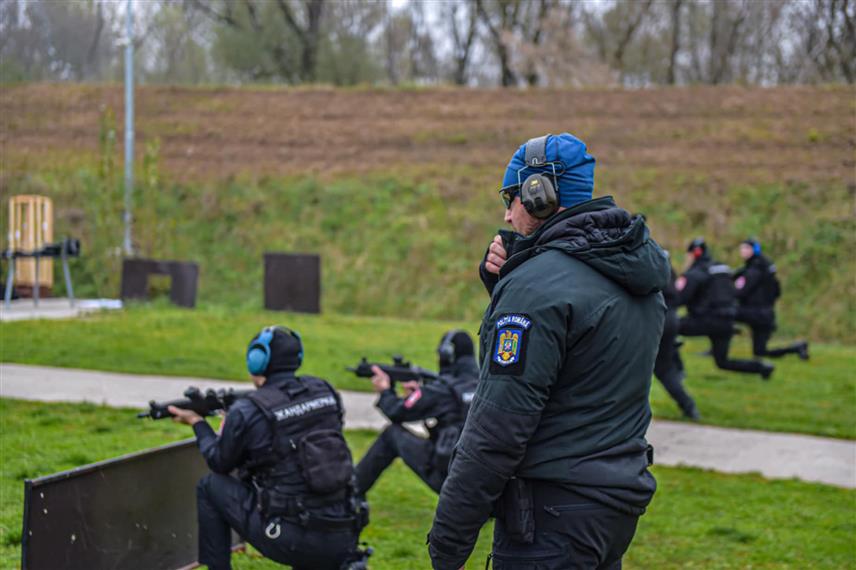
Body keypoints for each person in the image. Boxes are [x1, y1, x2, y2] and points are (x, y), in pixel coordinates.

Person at [429, 133, 670, 570]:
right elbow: (579, 366)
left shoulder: (537, 288)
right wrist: (511, 284)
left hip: (551, 516)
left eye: (513, 196)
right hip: (612, 506)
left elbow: (497, 427)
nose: (506, 212)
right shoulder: (631, 271)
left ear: (540, 194)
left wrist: (448, 540)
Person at [168, 325, 367, 570]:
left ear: (257, 360)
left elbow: (219, 461)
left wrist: (197, 423)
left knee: (210, 486)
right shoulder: (323, 390)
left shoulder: (248, 411)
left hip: (291, 536)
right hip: (344, 529)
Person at [355, 330, 479, 496]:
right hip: (482, 477)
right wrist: (421, 394)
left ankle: (348, 494)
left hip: (451, 477)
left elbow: (397, 411)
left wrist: (386, 391)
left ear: (447, 355)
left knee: (391, 435)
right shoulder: (484, 384)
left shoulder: (442, 390)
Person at [676, 238, 774, 379]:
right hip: (727, 321)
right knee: (722, 362)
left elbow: (680, 298)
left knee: (669, 329)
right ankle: (761, 367)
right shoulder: (723, 269)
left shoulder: (695, 274)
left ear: (694, 254)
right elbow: (735, 291)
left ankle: (676, 371)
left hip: (706, 320)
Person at [734, 238, 809, 360]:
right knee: (760, 352)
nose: (742, 251)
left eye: (746, 248)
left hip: (757, 314)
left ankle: (717, 350)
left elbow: (741, 291)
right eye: (742, 248)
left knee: (724, 314)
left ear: (754, 250)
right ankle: (797, 347)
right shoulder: (763, 267)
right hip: (766, 315)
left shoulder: (754, 269)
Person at [655, 262, 700, 420]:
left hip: (656, 318)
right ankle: (688, 406)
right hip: (671, 318)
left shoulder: (644, 261)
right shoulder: (664, 264)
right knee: (664, 369)